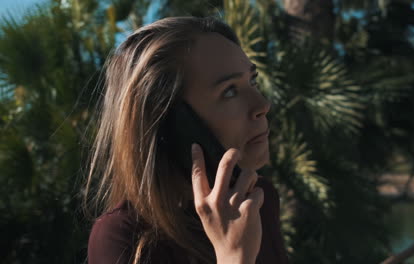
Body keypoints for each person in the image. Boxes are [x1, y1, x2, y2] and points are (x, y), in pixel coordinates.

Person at [85, 16, 289, 264]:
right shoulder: (122, 237)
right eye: (230, 91)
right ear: (172, 122)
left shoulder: (257, 201)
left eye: (252, 81)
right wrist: (235, 256)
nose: (262, 105)